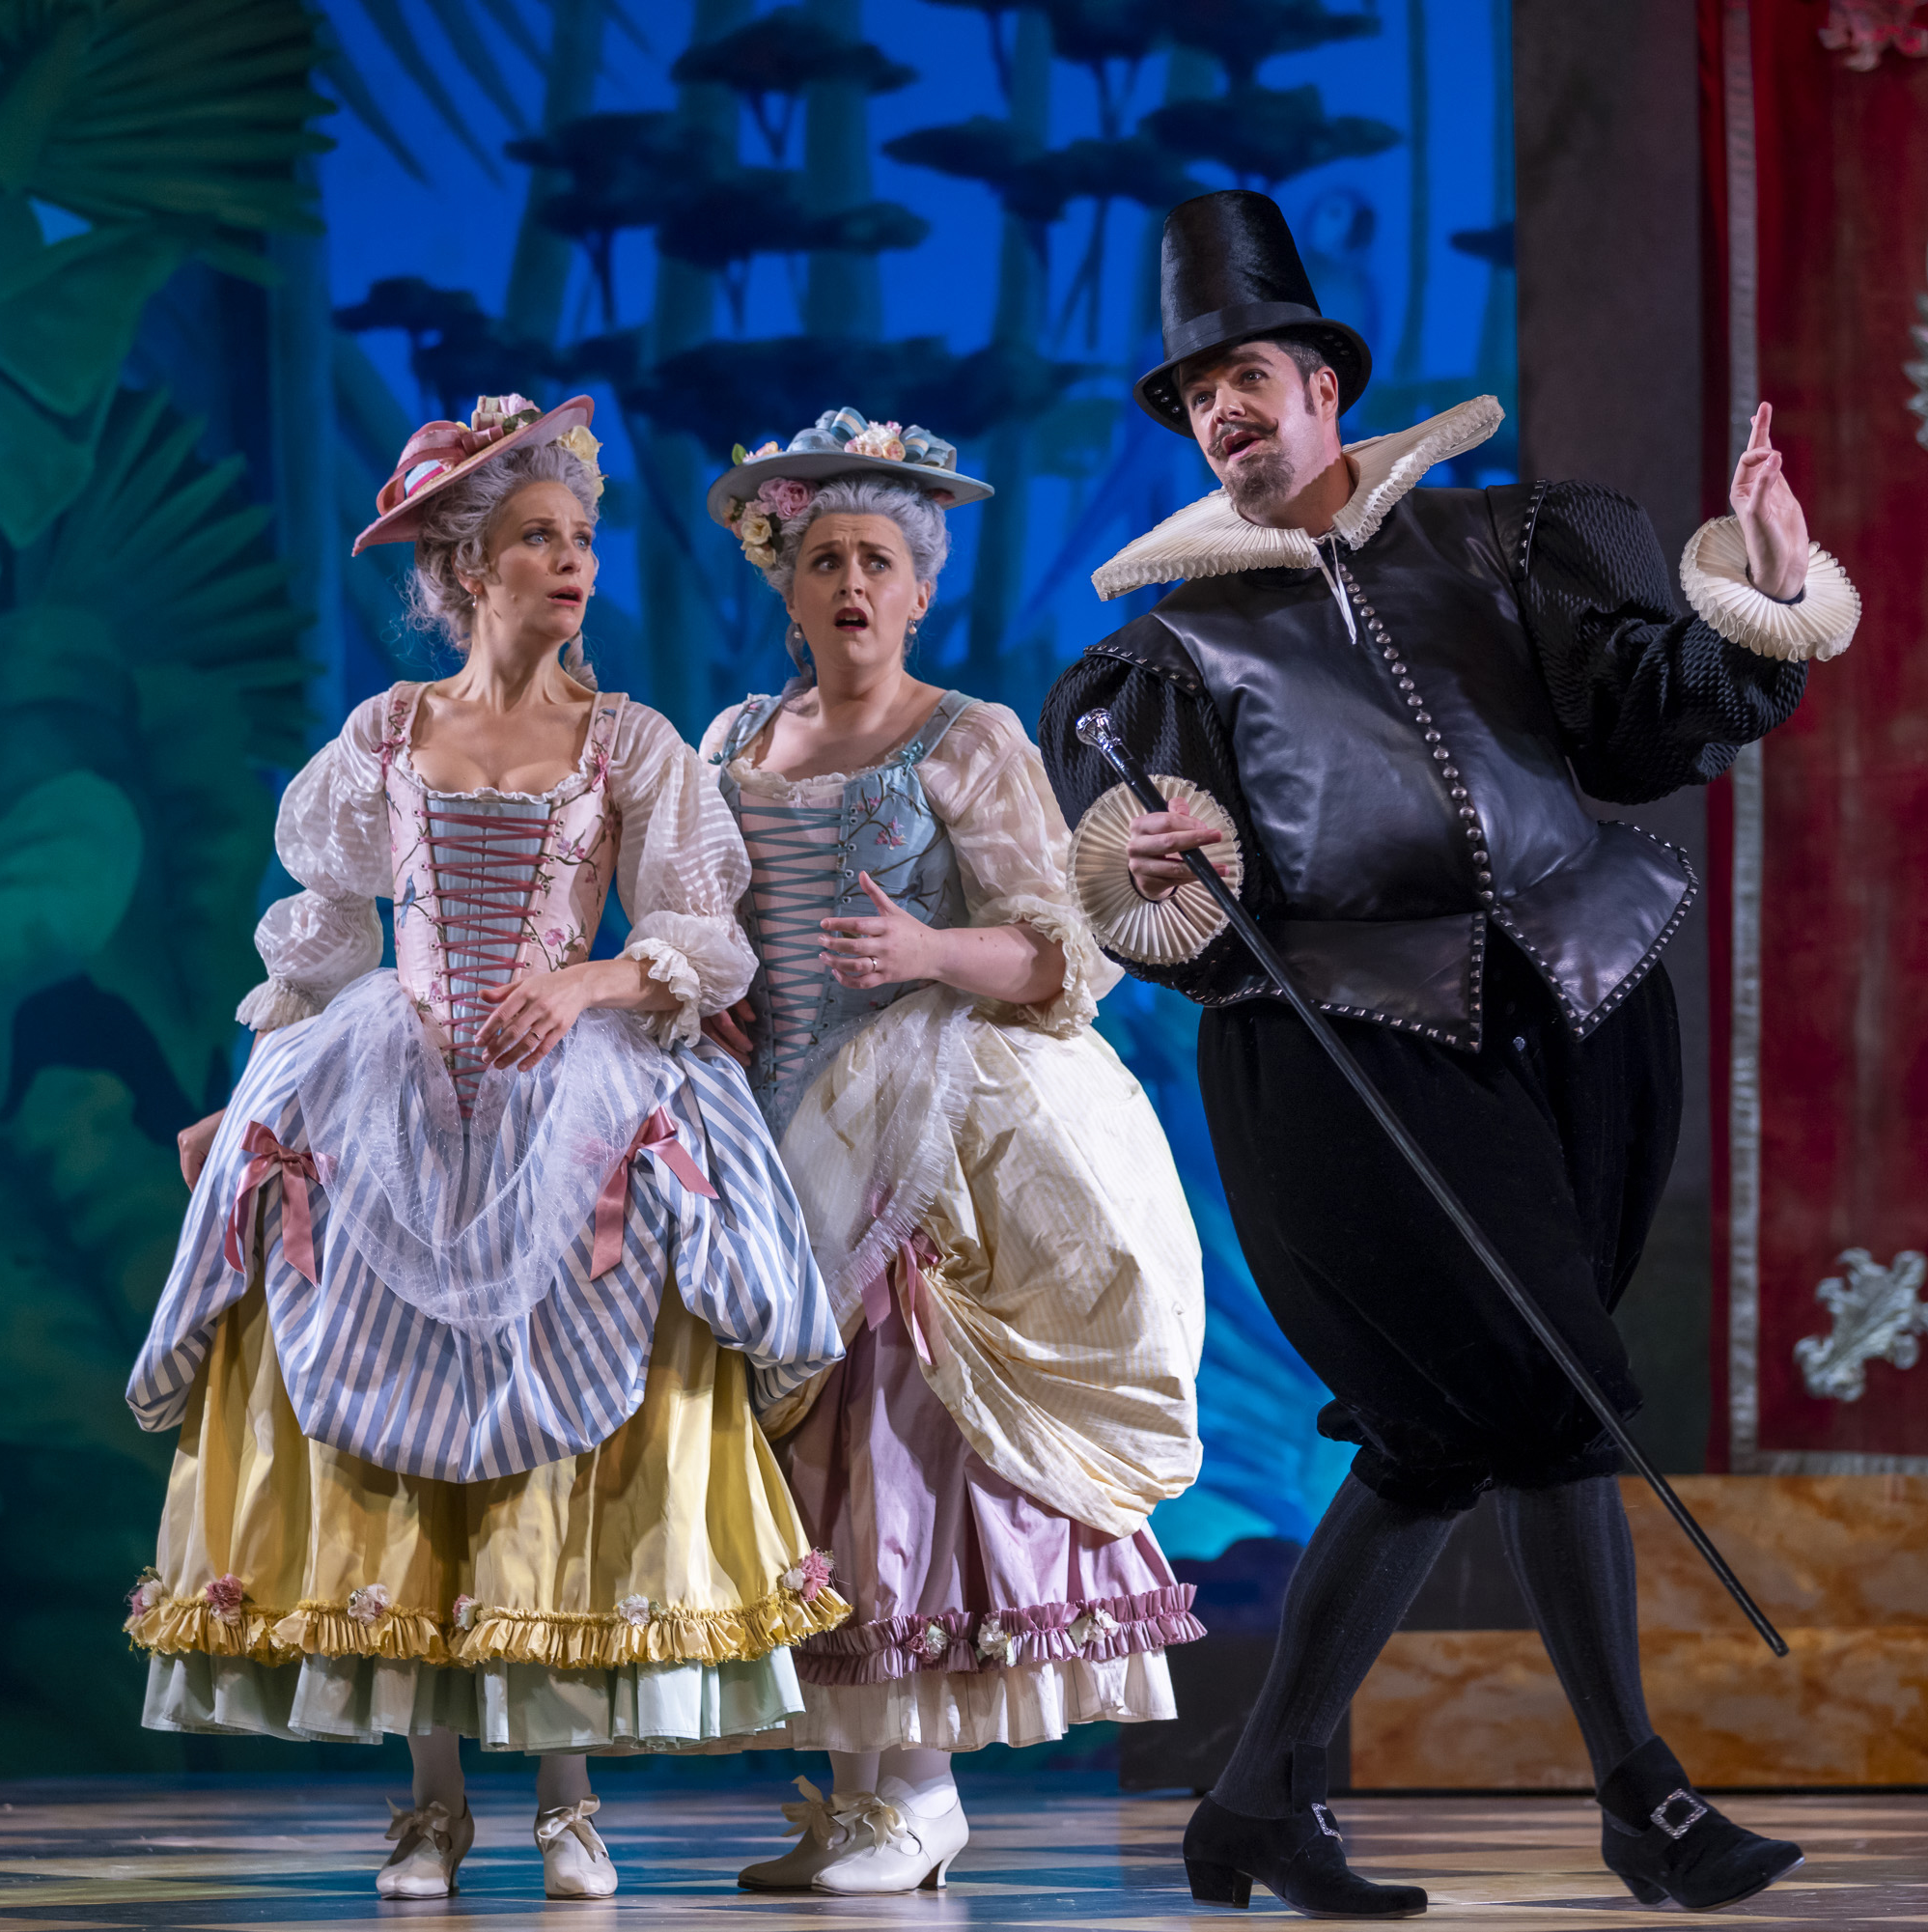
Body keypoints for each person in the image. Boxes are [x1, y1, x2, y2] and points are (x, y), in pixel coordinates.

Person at [1038, 192, 1861, 1917]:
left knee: (1438, 1435)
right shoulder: (1169, 654)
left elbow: (1651, 715)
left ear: (1326, 383)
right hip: (1347, 1061)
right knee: (1555, 1399)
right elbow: (1154, 888)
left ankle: (1256, 1793)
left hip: (1573, 1011)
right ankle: (1645, 1798)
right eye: (1197, 400)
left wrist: (1767, 587)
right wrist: (1152, 865)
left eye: (1246, 376)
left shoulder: (1503, 545)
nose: (1224, 416)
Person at [123, 394, 847, 1903]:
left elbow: (698, 934)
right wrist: (256, 1095)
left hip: (566, 1090)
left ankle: (567, 1798)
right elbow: (320, 951)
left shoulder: (629, 742)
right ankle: (431, 1798)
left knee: (570, 1415)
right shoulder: (386, 735)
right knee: (396, 1414)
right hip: (391, 1093)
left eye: (581, 538)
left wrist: (585, 981)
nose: (570, 561)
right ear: (465, 569)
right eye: (536, 538)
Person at [694, 409, 1208, 1895]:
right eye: (824, 557)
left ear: (920, 591)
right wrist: (710, 997)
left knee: (899, 1435)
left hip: (921, 1118)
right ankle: (853, 1777)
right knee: (789, 1451)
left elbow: (1063, 957)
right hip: (770, 1131)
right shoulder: (734, 742)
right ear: (786, 587)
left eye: (879, 560)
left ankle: (919, 1784)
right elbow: (705, 920)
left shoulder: (964, 737)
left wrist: (925, 945)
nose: (851, 581)